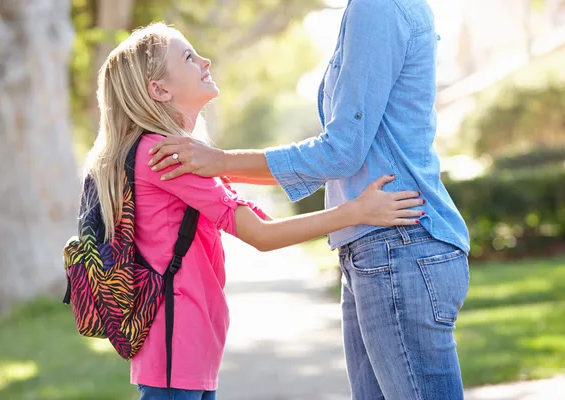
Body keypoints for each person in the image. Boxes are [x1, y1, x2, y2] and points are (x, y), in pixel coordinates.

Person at [146, 0, 471, 399]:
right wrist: (217, 165)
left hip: (396, 243)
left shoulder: (378, 8)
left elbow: (342, 150)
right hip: (376, 246)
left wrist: (220, 161)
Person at [87, 22, 423, 400]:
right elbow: (262, 235)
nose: (205, 60)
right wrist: (357, 211)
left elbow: (250, 209)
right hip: (175, 343)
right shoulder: (165, 156)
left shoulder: (172, 153)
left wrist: (326, 166)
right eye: (188, 57)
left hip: (187, 343)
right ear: (159, 89)